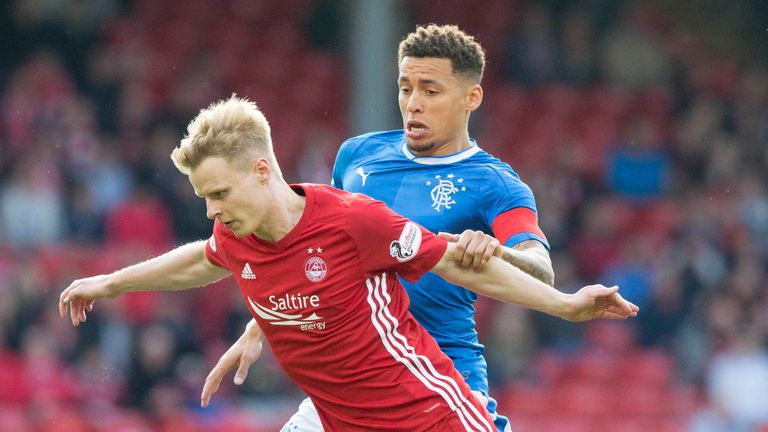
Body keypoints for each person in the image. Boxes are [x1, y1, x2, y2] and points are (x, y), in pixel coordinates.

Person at [60, 95, 637, 431]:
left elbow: (457, 265)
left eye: (220, 193)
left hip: (425, 417)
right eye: (204, 198)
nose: (213, 210)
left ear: (262, 170)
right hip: (338, 421)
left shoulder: (351, 221)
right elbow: (202, 261)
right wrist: (109, 282)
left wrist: (564, 305)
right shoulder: (237, 233)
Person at [200, 25, 636, 431]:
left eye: (431, 90)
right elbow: (312, 248)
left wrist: (499, 252)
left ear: (472, 97)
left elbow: (541, 269)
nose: (413, 103)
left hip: (441, 381)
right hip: (352, 383)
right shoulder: (357, 156)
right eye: (405, 88)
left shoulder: (496, 185)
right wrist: (259, 325)